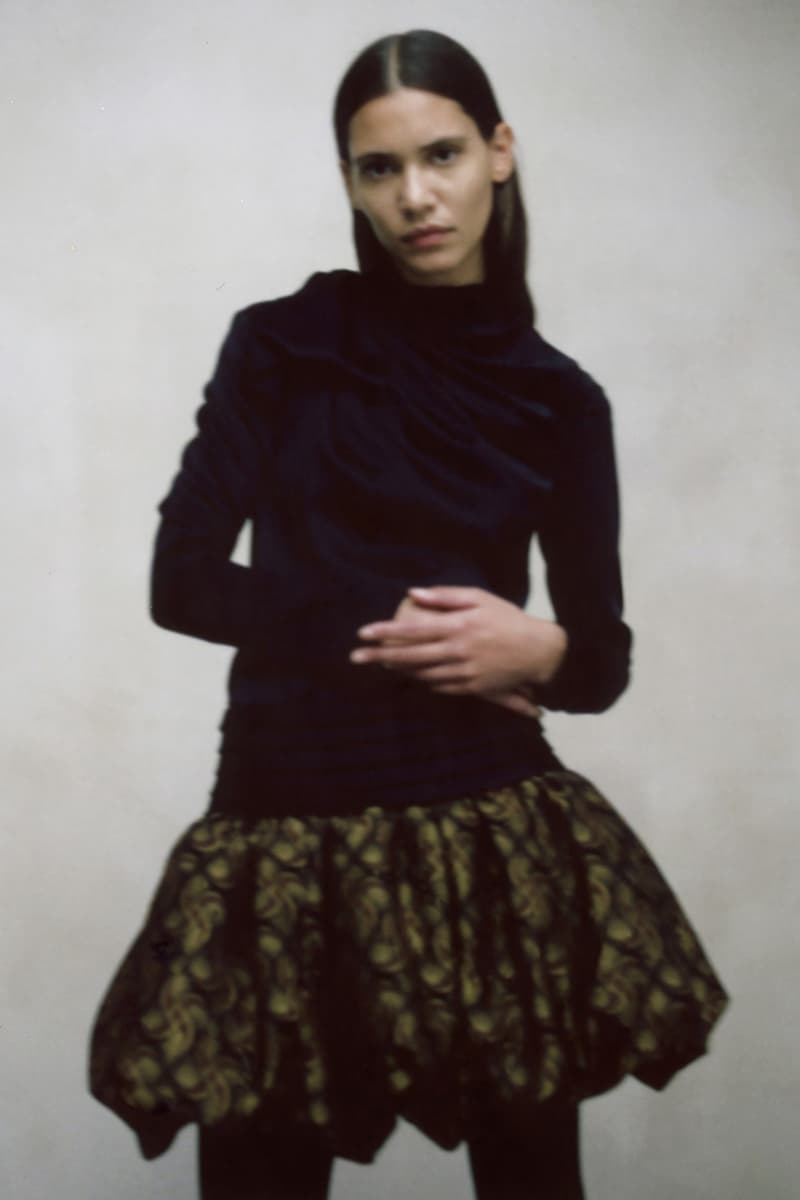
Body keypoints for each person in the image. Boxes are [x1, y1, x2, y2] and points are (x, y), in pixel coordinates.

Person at [88, 29, 728, 1200]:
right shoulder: (283, 343)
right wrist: (396, 623)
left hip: (486, 828)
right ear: (348, 182)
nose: (414, 197)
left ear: (498, 152)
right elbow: (182, 583)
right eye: (377, 168)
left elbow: (598, 662)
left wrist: (542, 646)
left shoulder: (559, 400)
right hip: (285, 830)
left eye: (440, 155)